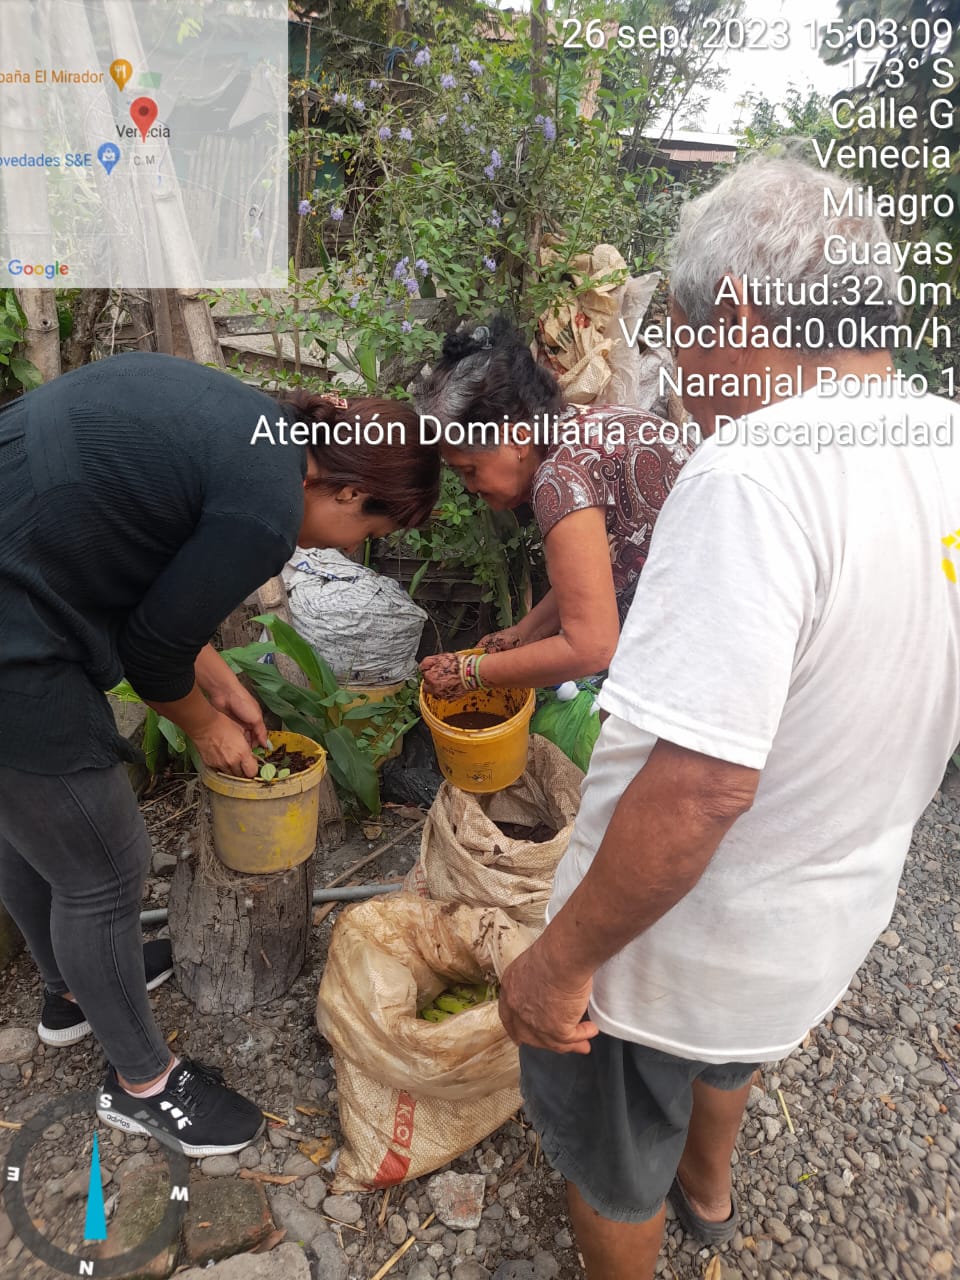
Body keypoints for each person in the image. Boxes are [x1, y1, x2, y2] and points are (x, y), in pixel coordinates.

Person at [497, 156, 960, 1278]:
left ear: (742, 312)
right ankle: (709, 1194)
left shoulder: (756, 473)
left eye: (686, 336)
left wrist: (558, 963)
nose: (683, 371)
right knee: (724, 1062)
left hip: (674, 951)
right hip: (820, 925)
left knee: (613, 1160)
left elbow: (703, 787)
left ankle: (656, 1215)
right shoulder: (942, 440)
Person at [0, 352, 439, 1156]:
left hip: (22, 541)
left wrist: (211, 673)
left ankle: (70, 994)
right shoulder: (267, 509)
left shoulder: (256, 426)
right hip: (15, 618)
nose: (352, 551)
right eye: (369, 534)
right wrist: (207, 726)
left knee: (31, 818)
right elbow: (149, 656)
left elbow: (146, 568)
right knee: (105, 869)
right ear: (347, 492)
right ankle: (143, 1086)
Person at [414, 319, 694, 698]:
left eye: (470, 470)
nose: (470, 488)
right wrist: (522, 634)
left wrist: (469, 672)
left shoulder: (560, 479)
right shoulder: (582, 426)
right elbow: (588, 581)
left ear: (517, 438)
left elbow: (592, 646)